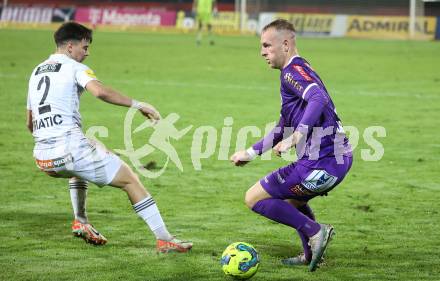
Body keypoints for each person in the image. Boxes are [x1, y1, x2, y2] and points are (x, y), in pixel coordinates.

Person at [26, 22, 192, 253]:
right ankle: (165, 239)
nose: (87, 52)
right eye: (85, 47)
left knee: (87, 153)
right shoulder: (73, 67)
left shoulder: (36, 72)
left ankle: (81, 220)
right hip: (70, 150)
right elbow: (100, 92)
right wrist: (138, 105)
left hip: (43, 159)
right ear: (71, 46)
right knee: (130, 179)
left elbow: (29, 123)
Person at [230, 19, 353, 271]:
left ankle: (316, 231)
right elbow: (281, 126)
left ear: (285, 44)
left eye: (266, 45)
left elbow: (317, 97)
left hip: (321, 163)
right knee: (290, 204)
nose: (262, 52)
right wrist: (251, 153)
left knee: (253, 198)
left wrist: (296, 136)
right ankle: (310, 253)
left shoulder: (291, 73)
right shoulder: (301, 69)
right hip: (338, 161)